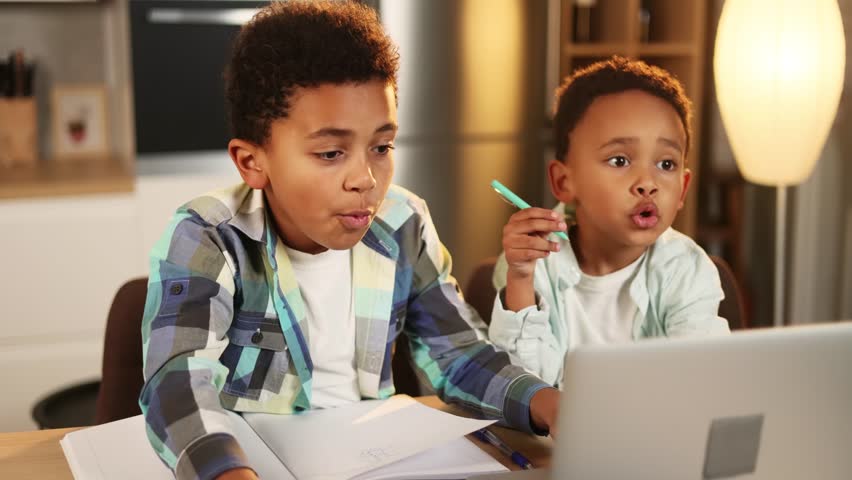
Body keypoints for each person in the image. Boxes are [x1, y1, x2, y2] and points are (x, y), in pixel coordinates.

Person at [139, 3, 559, 479]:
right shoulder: (209, 235)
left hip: (369, 460)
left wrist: (548, 403)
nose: (365, 179)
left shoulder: (403, 222)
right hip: (246, 464)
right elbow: (178, 379)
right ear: (252, 161)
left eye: (381, 147)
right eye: (331, 152)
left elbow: (456, 353)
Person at [489, 56, 730, 386]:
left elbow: (701, 381)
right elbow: (521, 387)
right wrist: (519, 279)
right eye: (620, 160)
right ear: (563, 182)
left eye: (666, 164)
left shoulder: (686, 269)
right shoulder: (532, 264)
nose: (647, 182)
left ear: (683, 188)